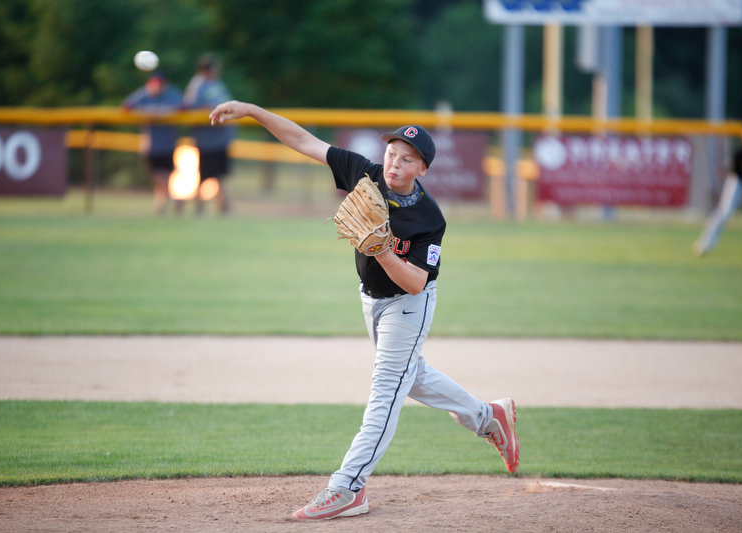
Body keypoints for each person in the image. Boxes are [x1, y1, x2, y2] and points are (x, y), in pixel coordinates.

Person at [209, 100, 520, 520]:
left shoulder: (429, 218)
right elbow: (303, 140)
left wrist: (384, 249)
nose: (394, 162)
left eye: (406, 158)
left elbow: (417, 281)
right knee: (410, 377)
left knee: (385, 393)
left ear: (421, 169)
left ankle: (348, 487)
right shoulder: (365, 174)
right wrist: (251, 111)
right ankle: (488, 416)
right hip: (371, 299)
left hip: (408, 307)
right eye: (392, 152)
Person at [694, 117, 742, 256]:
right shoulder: (740, 153)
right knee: (724, 212)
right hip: (739, 183)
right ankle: (705, 244)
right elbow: (731, 173)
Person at [122, 72, 184, 214]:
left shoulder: (171, 94)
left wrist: (162, 112)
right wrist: (147, 112)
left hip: (168, 143)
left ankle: (160, 208)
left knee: (166, 176)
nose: (157, 86)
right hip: (151, 145)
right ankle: (173, 198)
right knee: (156, 176)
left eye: (160, 83)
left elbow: (184, 107)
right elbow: (126, 106)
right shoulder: (145, 93)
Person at [184, 53, 236, 214]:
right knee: (206, 174)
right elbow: (190, 107)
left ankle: (221, 203)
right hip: (207, 138)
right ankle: (208, 205)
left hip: (220, 138)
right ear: (208, 69)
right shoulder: (198, 85)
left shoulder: (215, 83)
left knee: (217, 173)